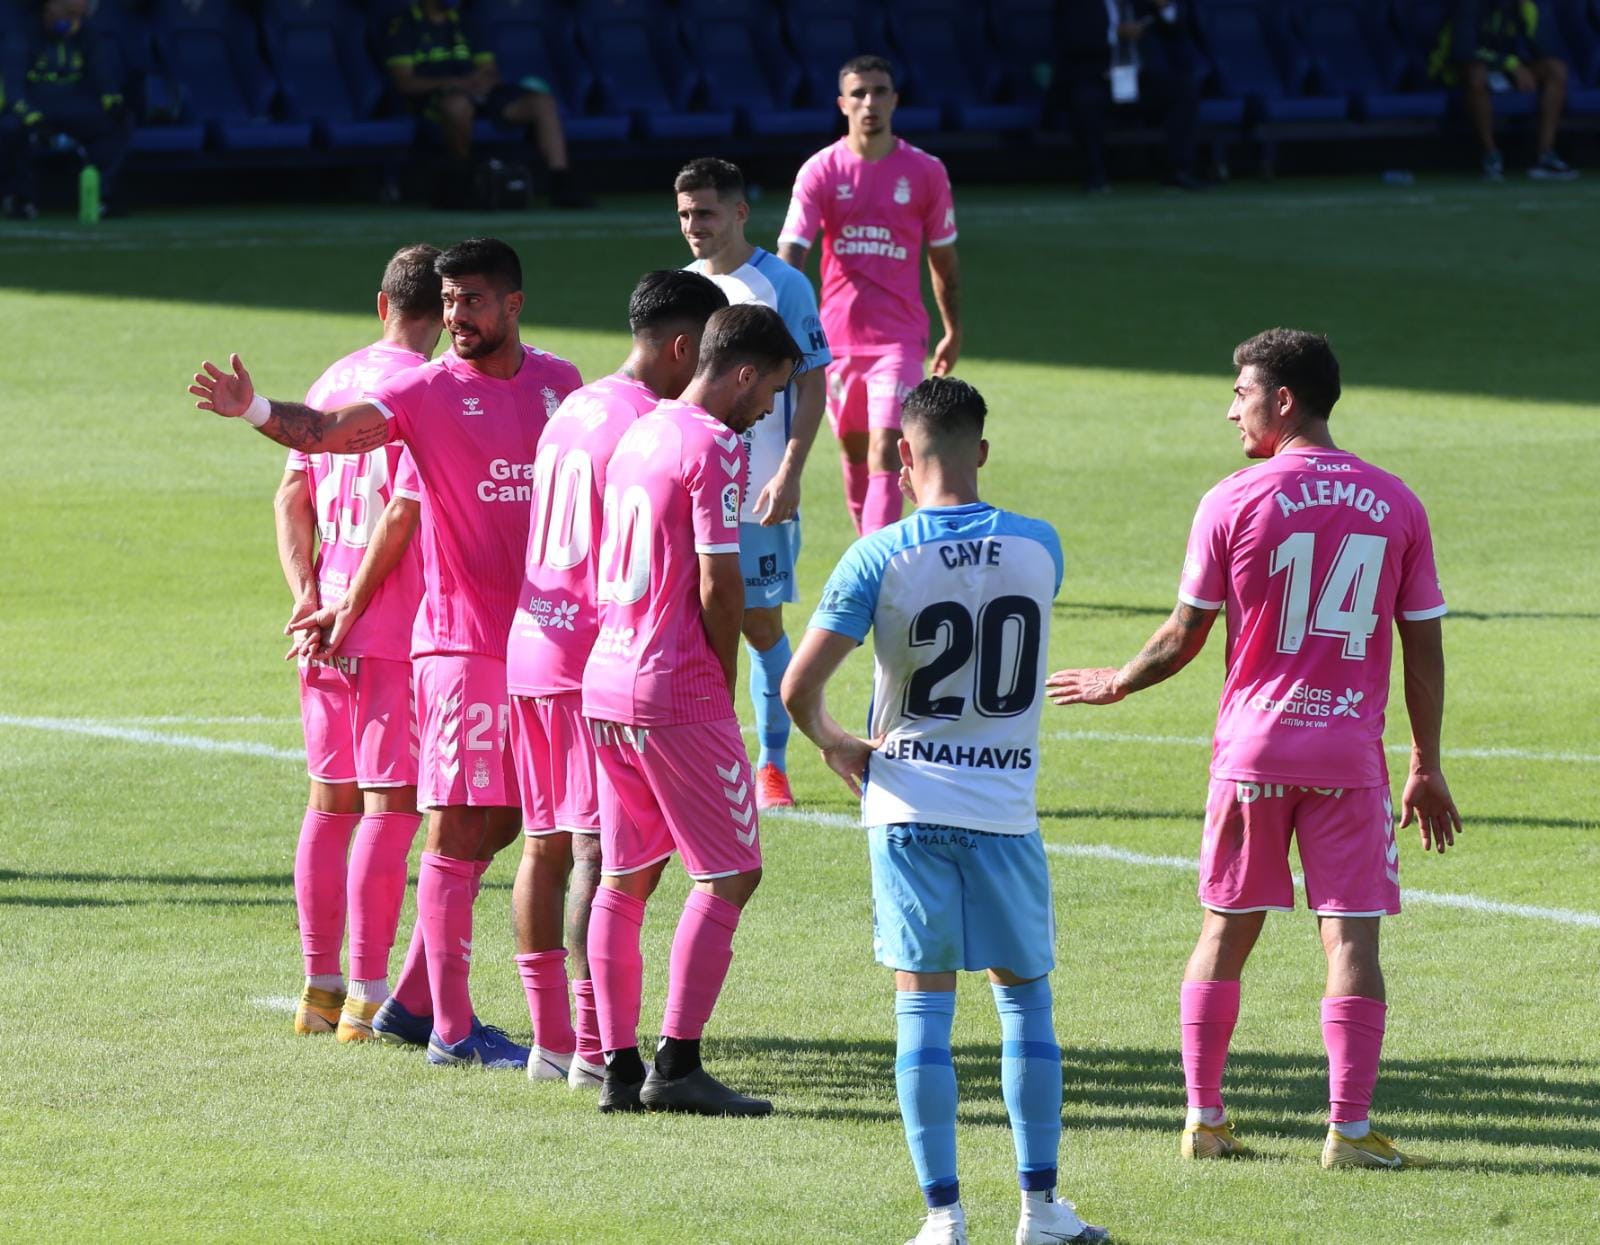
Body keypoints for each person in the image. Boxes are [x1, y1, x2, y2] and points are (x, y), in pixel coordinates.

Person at [1047, 329, 1462, 1170]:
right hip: (1348, 759)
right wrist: (1424, 759)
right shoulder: (1398, 503)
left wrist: (1118, 681)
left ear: (1283, 400)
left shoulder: (1233, 499)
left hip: (1252, 753)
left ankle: (1204, 1117)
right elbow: (1423, 645)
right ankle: (1347, 1131)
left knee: (1224, 929)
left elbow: (1183, 634)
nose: (1229, 408)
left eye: (1240, 392)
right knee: (1351, 941)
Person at [190, 236, 582, 1071]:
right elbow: (327, 438)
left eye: (471, 301)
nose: (456, 317)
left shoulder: (563, 385)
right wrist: (258, 412)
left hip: (535, 644)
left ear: (512, 303)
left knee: (510, 819)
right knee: (423, 817)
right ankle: (438, 1019)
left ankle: (396, 995)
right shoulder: (422, 390)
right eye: (446, 303)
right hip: (447, 641)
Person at [782, 377, 1108, 1245]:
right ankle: (1040, 1211)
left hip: (907, 805)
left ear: (901, 456)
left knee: (922, 1008)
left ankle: (943, 1217)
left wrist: (834, 740)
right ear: (984, 451)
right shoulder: (1042, 546)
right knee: (1024, 1002)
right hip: (1003, 808)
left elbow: (796, 686)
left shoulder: (876, 555)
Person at [505, 268, 728, 1088]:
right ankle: (597, 1052)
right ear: (680, 347)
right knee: (606, 853)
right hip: (588, 660)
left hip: (531, 641)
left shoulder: (577, 404)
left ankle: (552, 1041)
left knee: (548, 845)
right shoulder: (649, 425)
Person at [580, 303, 801, 1117]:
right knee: (732, 870)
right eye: (771, 389)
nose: (767, 408)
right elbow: (719, 580)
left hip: (605, 678)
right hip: (673, 685)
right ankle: (678, 1064)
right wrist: (718, 673)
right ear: (743, 372)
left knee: (625, 875)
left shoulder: (642, 429)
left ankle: (617, 1066)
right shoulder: (715, 445)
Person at [273, 243, 440, 1042]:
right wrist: (353, 609)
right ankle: (370, 995)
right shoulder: (425, 391)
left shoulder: (331, 381)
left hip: (323, 623)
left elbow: (290, 498)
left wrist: (310, 598)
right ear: (446, 314)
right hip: (390, 627)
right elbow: (401, 518)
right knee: (391, 806)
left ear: (381, 305)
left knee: (328, 800)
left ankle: (318, 986)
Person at [675, 156, 832, 811]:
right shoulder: (680, 287)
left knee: (759, 624)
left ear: (740, 212)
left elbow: (812, 381)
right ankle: (704, 760)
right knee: (684, 623)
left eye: (705, 213)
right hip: (686, 487)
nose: (693, 227)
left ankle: (771, 765)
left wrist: (791, 471)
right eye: (684, 215)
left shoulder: (782, 285)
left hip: (757, 492)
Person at [778, 54, 960, 537]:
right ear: (842, 104)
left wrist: (952, 328)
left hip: (899, 339)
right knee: (855, 452)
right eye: (859, 93)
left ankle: (877, 565)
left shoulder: (925, 172)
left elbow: (943, 259)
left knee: (887, 447)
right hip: (835, 339)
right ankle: (870, 548)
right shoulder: (820, 170)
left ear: (895, 100)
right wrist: (784, 320)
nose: (870, 102)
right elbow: (792, 248)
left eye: (880, 91)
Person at [379, 0, 592, 208]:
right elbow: (405, 82)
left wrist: (481, 84)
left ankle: (561, 182)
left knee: (543, 102)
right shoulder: (404, 25)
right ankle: (464, 180)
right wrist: (455, 82)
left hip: (480, 92)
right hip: (434, 97)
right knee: (457, 105)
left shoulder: (468, 22)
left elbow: (489, 70)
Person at [1, 0, 133, 220]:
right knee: (9, 128)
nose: (74, 21)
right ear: (50, 7)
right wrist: (33, 119)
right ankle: (19, 198)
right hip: (35, 106)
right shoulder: (22, 35)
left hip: (74, 105)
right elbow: (13, 88)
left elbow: (101, 73)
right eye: (70, 14)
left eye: (79, 16)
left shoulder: (86, 34)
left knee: (120, 122)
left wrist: (112, 100)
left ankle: (100, 196)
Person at [1054, 0, 1203, 192]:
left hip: (1140, 78)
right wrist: (1113, 34)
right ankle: (1095, 175)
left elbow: (1177, 30)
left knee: (1183, 90)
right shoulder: (1077, 4)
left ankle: (1179, 171)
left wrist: (1164, 6)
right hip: (1099, 78)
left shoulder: (1141, 3)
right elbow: (1069, 40)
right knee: (1085, 99)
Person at [1430, 0, 1580, 181]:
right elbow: (1463, 50)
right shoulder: (1469, 5)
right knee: (1475, 73)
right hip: (1460, 73)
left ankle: (1545, 155)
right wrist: (1509, 63)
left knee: (1555, 69)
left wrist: (1530, 18)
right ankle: (1490, 156)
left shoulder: (1522, 6)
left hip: (1503, 71)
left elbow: (1547, 49)